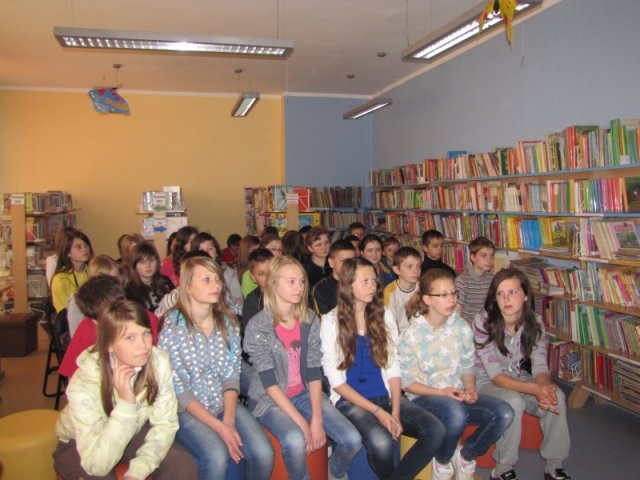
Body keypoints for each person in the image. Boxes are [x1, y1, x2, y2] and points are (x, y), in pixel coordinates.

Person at [321, 257, 445, 480]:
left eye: (374, 280)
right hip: (351, 401)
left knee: (436, 430)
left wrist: (394, 411)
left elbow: (393, 366)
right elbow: (336, 381)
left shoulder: (384, 314)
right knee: (382, 442)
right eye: (365, 281)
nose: (372, 286)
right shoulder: (331, 321)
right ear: (348, 285)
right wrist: (378, 413)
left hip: (385, 396)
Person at [244, 255, 362, 480]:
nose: (299, 287)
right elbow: (269, 383)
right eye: (291, 282)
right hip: (270, 400)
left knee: (352, 439)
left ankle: (334, 472)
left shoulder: (308, 319)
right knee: (295, 440)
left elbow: (313, 370)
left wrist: (316, 419)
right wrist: (302, 423)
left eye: (301, 281)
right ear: (274, 283)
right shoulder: (259, 326)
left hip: (304, 393)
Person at [53, 300, 197, 480]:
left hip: (133, 429)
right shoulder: (84, 383)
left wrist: (139, 469)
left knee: (182, 463)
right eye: (130, 337)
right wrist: (127, 404)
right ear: (109, 344)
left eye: (146, 334)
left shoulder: (158, 361)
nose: (143, 345)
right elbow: (96, 465)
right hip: (81, 444)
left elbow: (165, 424)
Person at [158, 255, 274, 480]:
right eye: (207, 280)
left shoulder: (227, 322)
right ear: (187, 286)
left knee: (264, 453)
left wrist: (228, 420)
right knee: (216, 455)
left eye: (218, 279)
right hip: (186, 410)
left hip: (222, 403)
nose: (216, 285)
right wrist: (220, 427)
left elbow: (231, 374)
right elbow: (179, 388)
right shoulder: (173, 327)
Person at [399, 268, 514, 480]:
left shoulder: (461, 327)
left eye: (453, 293)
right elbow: (406, 383)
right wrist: (442, 393)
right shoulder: (411, 334)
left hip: (456, 395)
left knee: (504, 413)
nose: (451, 299)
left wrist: (470, 388)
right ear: (427, 299)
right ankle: (442, 461)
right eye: (443, 295)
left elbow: (467, 367)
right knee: (456, 413)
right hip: (424, 398)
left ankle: (466, 456)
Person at [473, 268, 571, 480]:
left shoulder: (535, 321)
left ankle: (554, 465)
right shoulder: (483, 321)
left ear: (526, 295)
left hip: (519, 377)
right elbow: (495, 376)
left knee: (557, 396)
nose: (506, 299)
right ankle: (502, 468)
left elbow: (540, 365)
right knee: (514, 402)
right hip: (485, 381)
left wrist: (544, 388)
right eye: (500, 293)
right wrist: (535, 389)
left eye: (512, 292)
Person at [60, 275, 160, 379]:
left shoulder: (145, 319)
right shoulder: (87, 328)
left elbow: (158, 361)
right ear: (94, 320)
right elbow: (73, 375)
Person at [67, 254, 121, 337]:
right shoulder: (77, 301)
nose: (116, 283)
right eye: (110, 279)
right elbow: (77, 335)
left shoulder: (116, 294)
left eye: (117, 277)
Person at [191, 232, 243, 311]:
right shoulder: (191, 274)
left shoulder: (228, 273)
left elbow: (239, 303)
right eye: (201, 250)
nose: (206, 253)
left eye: (210, 249)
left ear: (216, 252)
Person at [51, 229, 93, 313]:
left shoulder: (93, 273)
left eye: (86, 245)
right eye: (78, 246)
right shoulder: (60, 279)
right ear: (68, 252)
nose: (84, 249)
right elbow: (64, 313)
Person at [455, 236, 496, 324]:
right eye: (483, 255)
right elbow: (456, 313)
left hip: (488, 324)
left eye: (491, 255)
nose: (489, 260)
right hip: (468, 325)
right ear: (473, 257)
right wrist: (471, 327)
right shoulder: (462, 281)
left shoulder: (493, 278)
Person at [126, 241, 175, 312]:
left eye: (151, 260)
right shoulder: (130, 292)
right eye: (142, 262)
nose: (148, 265)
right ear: (134, 265)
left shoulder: (166, 281)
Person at [311, 239, 356, 315]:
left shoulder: (363, 283)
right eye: (343, 261)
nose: (348, 265)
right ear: (331, 262)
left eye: (352, 261)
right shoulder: (321, 289)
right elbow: (326, 318)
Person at [383, 246, 421, 334]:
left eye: (418, 266)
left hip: (419, 332)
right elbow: (391, 322)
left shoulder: (422, 287)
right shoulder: (390, 291)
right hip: (398, 334)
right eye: (409, 266)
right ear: (397, 270)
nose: (416, 271)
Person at [241, 248, 274, 333]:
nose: (268, 277)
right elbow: (250, 333)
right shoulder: (252, 302)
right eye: (261, 274)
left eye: (270, 271)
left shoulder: (287, 292)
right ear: (253, 278)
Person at [302, 226, 332, 292]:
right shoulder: (304, 270)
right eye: (319, 245)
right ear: (310, 248)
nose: (324, 247)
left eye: (326, 242)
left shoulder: (334, 264)